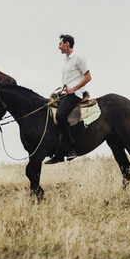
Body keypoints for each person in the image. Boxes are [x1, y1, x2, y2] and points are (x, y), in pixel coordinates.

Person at [45, 33, 92, 164]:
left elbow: (88, 77)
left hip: (75, 94)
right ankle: (57, 150)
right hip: (66, 93)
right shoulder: (66, 60)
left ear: (67, 44)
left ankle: (71, 148)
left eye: (60, 44)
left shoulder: (78, 58)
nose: (58, 47)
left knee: (60, 115)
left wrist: (73, 89)